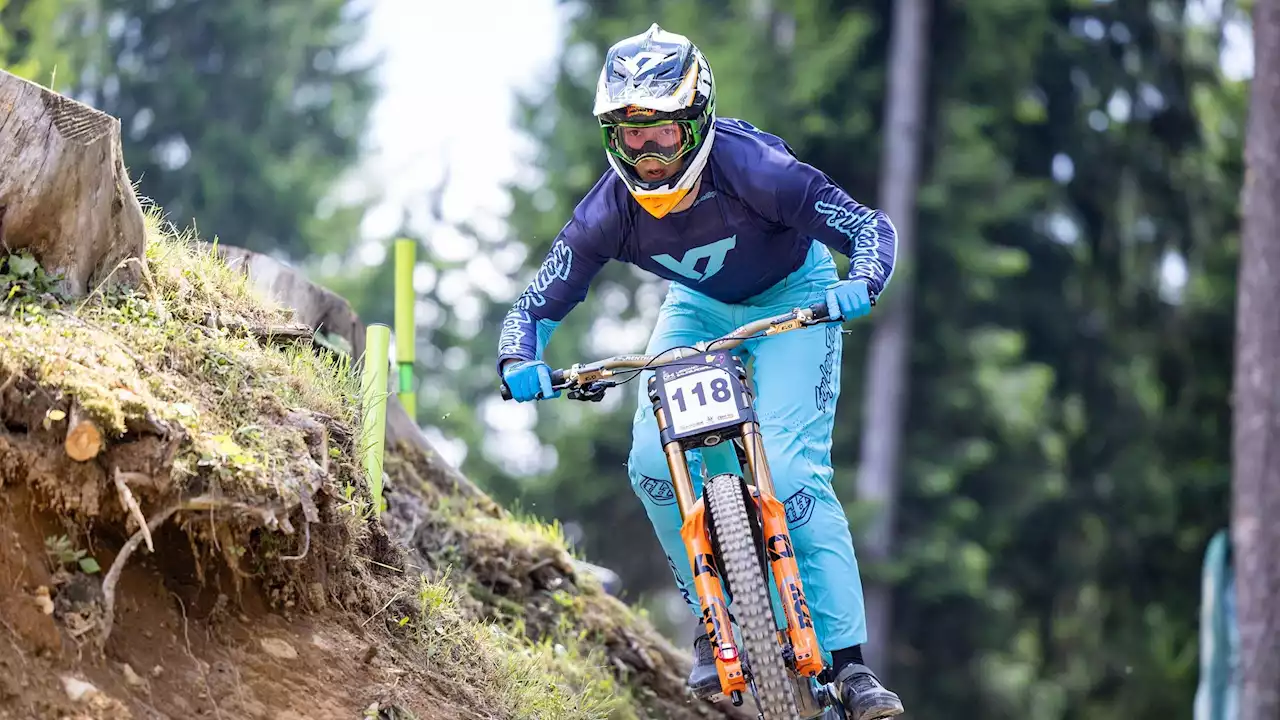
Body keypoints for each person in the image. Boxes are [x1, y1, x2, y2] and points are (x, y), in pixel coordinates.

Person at [495, 22, 905, 720]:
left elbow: (870, 228)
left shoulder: (757, 170)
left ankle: (848, 667)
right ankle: (718, 621)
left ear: (697, 125)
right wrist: (518, 359)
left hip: (795, 296)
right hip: (698, 312)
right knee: (653, 466)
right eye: (630, 134)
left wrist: (863, 279)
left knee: (791, 468)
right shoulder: (609, 211)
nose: (648, 155)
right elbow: (535, 303)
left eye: (662, 133)